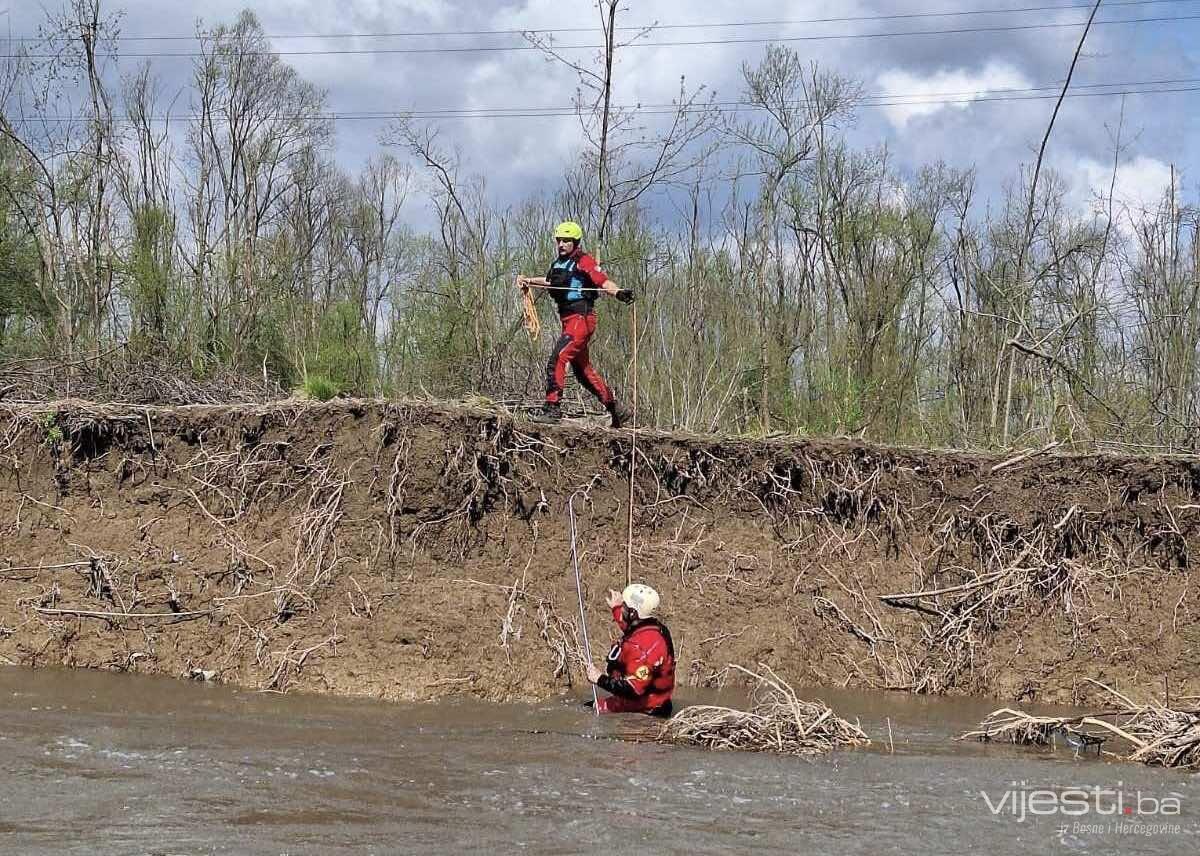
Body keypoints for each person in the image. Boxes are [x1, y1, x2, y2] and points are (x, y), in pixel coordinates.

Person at [516, 221, 635, 428]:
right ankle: (617, 409)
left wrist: (619, 293)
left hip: (581, 320)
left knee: (558, 358)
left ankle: (552, 409)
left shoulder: (584, 261)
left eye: (566, 241)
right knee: (583, 372)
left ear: (575, 242)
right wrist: (529, 281)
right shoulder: (558, 264)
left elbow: (603, 281)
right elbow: (550, 281)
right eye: (559, 240)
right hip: (568, 320)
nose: (561, 244)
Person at [583, 583, 675, 717]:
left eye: (624, 606)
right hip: (650, 701)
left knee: (587, 711)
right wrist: (616, 608)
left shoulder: (642, 649)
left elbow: (632, 690)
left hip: (645, 709)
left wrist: (599, 679)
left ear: (633, 613)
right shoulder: (651, 626)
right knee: (589, 706)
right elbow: (631, 626)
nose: (622, 608)